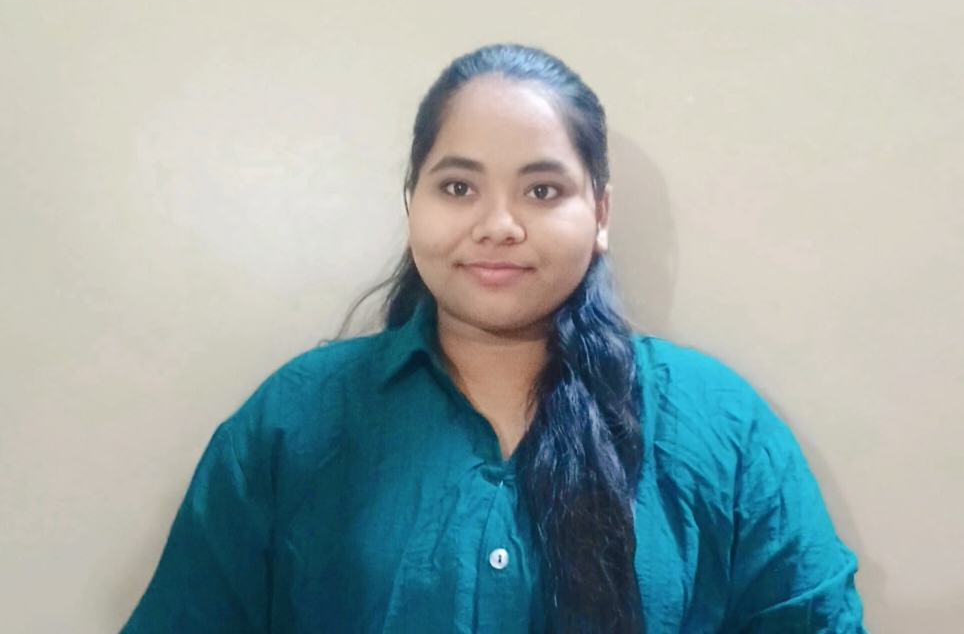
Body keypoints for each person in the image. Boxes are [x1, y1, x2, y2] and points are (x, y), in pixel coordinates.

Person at [119, 43, 867, 634]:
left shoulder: (721, 428)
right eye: (458, 187)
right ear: (411, 203)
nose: (498, 225)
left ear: (600, 213)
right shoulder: (294, 420)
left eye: (543, 190)